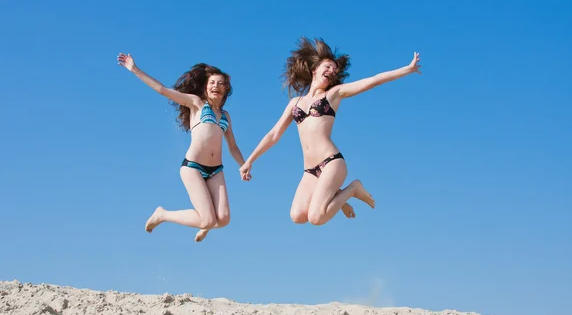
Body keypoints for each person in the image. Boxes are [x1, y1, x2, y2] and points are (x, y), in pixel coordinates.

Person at [239, 37, 421, 226]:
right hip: (310, 170)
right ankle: (337, 194)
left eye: (334, 70)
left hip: (331, 162)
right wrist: (250, 161)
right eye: (328, 66)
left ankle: (352, 189)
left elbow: (372, 81)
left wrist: (407, 69)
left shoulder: (333, 95)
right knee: (298, 216)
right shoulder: (295, 103)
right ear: (314, 69)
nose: (332, 71)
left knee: (316, 218)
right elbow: (273, 134)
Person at [117, 53, 247, 242]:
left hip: (216, 170)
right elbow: (162, 89)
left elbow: (233, 147)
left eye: (220, 84)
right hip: (193, 167)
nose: (216, 86)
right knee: (208, 219)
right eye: (212, 82)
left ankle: (205, 224)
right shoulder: (196, 104)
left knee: (224, 219)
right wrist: (134, 69)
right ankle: (163, 214)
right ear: (206, 86)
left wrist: (243, 165)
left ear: (226, 90)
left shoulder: (226, 116)